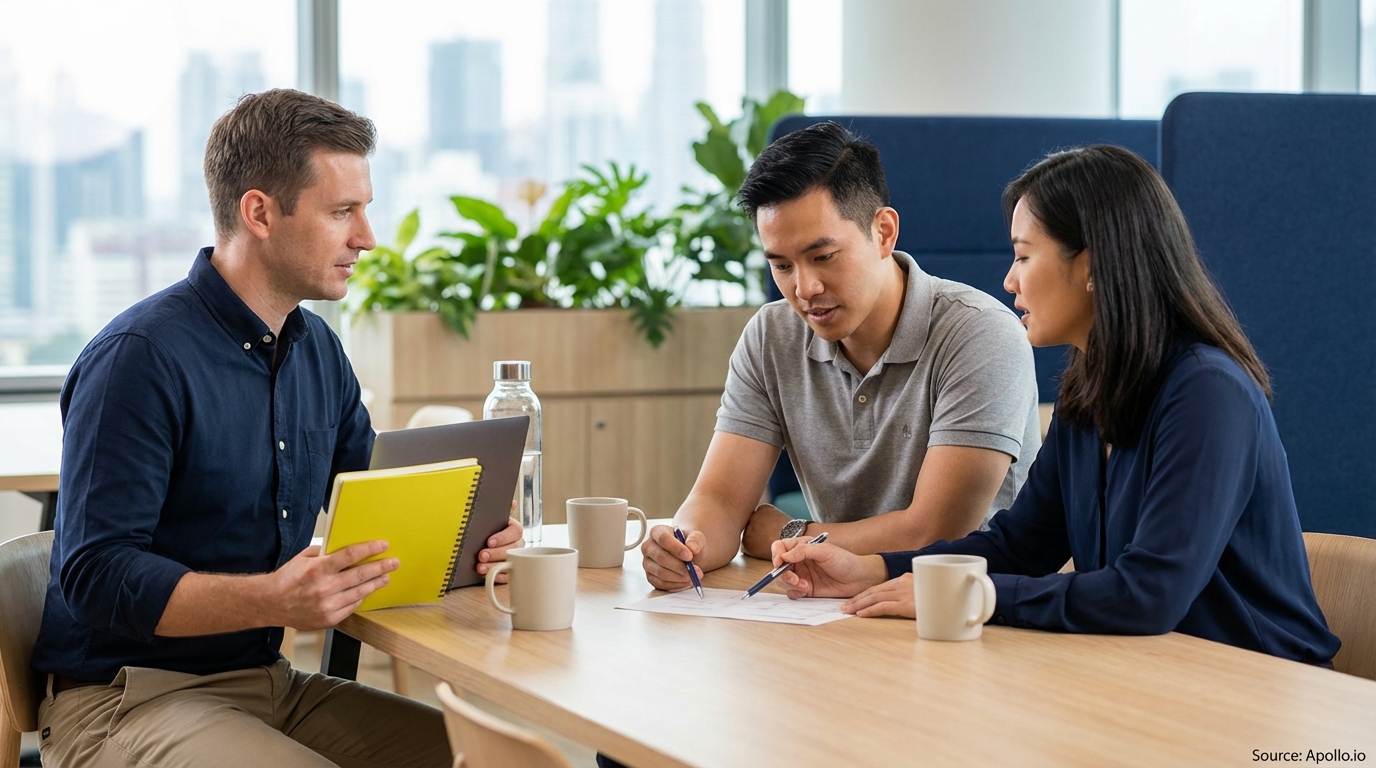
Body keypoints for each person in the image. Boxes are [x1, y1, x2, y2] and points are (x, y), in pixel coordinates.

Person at [31, 89, 525, 767]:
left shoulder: (317, 350)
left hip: (268, 686)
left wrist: (474, 543)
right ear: (260, 212)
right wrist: (274, 598)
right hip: (127, 699)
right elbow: (96, 575)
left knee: (492, 760)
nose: (367, 237)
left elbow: (376, 499)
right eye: (342, 211)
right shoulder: (139, 360)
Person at [771, 144, 1339, 665]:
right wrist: (870, 570)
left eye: (1023, 256)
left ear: (1090, 265)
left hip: (1260, 691)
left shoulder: (1207, 392)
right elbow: (1022, 542)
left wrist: (974, 593)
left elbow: (1148, 594)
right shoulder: (1091, 386)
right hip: (1155, 676)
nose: (1009, 280)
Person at [640, 121, 1041, 592]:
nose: (804, 289)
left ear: (884, 232)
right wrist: (688, 547)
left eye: (824, 256)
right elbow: (723, 501)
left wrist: (787, 533)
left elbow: (933, 533)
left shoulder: (979, 333)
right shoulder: (772, 335)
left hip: (968, 610)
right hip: (834, 605)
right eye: (781, 265)